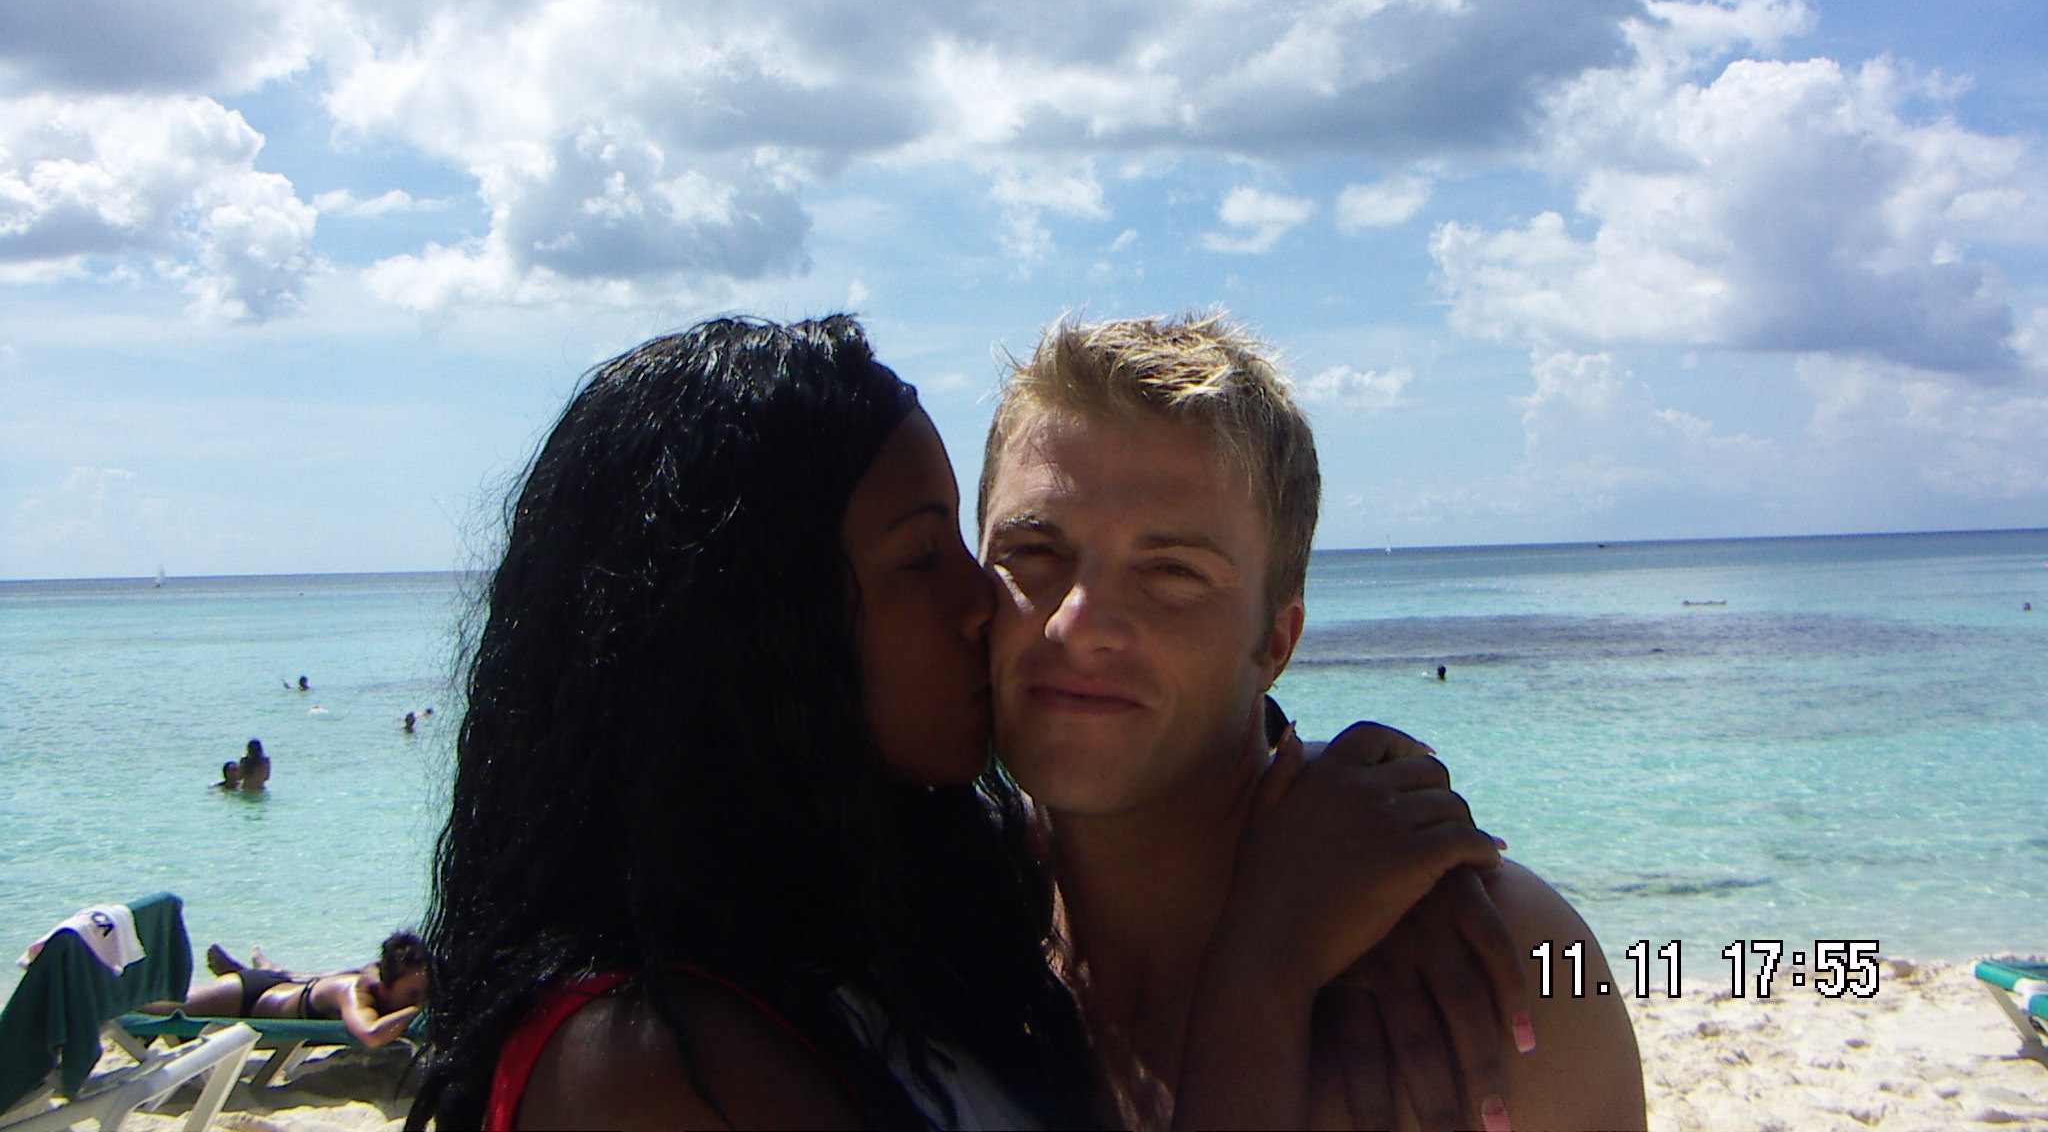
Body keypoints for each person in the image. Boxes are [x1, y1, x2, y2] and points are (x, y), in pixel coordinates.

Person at [410, 316, 1495, 1132]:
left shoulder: (900, 911)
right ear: (759, 635)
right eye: (928, 558)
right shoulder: (645, 1068)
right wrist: (1267, 963)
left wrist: (1332, 813)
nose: (989, 602)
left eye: (1172, 573)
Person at [979, 312, 1646, 1131]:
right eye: (1033, 553)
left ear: (1277, 642)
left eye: (1172, 571)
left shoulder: (1486, 971)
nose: (1077, 624)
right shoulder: (939, 928)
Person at [149, 932, 430, 1049]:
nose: (419, 999)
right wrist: (419, 1009)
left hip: (284, 989)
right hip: (246, 998)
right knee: (155, 1006)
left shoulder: (377, 977)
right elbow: (372, 1035)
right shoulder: (354, 993)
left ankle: (269, 970)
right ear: (384, 987)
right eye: (411, 994)